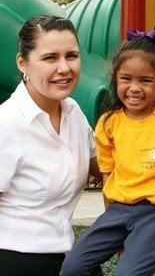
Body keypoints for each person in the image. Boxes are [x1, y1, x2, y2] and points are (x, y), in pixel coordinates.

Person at [61, 26, 155, 276]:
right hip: (118, 210)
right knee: (72, 268)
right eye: (126, 79)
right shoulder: (109, 123)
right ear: (116, 79)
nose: (134, 88)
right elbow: (107, 174)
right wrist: (107, 217)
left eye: (145, 80)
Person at [0, 15, 96, 276]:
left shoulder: (73, 112)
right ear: (22, 62)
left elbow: (105, 166)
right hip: (14, 259)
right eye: (50, 58)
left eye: (71, 56)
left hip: (67, 256)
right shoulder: (6, 124)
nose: (64, 68)